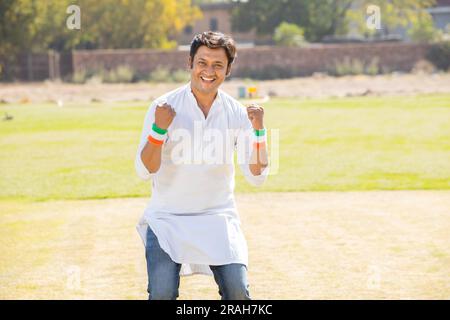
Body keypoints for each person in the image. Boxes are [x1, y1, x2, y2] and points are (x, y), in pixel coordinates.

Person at [135, 31, 269, 300]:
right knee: (162, 294)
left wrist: (259, 132)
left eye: (218, 65)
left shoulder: (236, 112)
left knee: (238, 293)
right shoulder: (163, 106)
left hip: (218, 217)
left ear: (228, 70)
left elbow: (257, 176)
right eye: (202, 63)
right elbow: (144, 170)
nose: (209, 71)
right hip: (167, 218)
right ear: (190, 63)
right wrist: (159, 130)